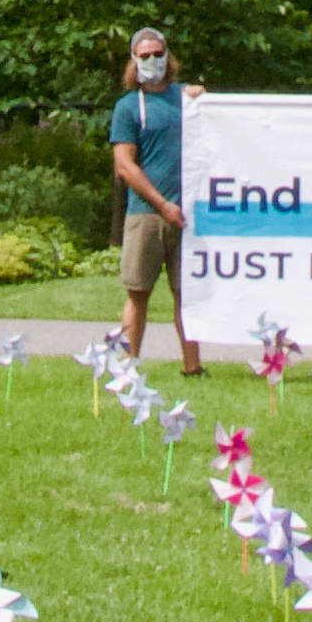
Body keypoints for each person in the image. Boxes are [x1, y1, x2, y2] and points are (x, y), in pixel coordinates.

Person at [109, 26, 204, 374]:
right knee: (138, 293)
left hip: (190, 217)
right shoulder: (128, 108)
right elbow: (124, 164)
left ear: (168, 56)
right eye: (144, 56)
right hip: (145, 216)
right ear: (134, 61)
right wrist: (162, 203)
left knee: (186, 294)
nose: (152, 61)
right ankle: (127, 366)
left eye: (158, 54)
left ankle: (193, 368)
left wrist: (203, 97)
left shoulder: (188, 100)